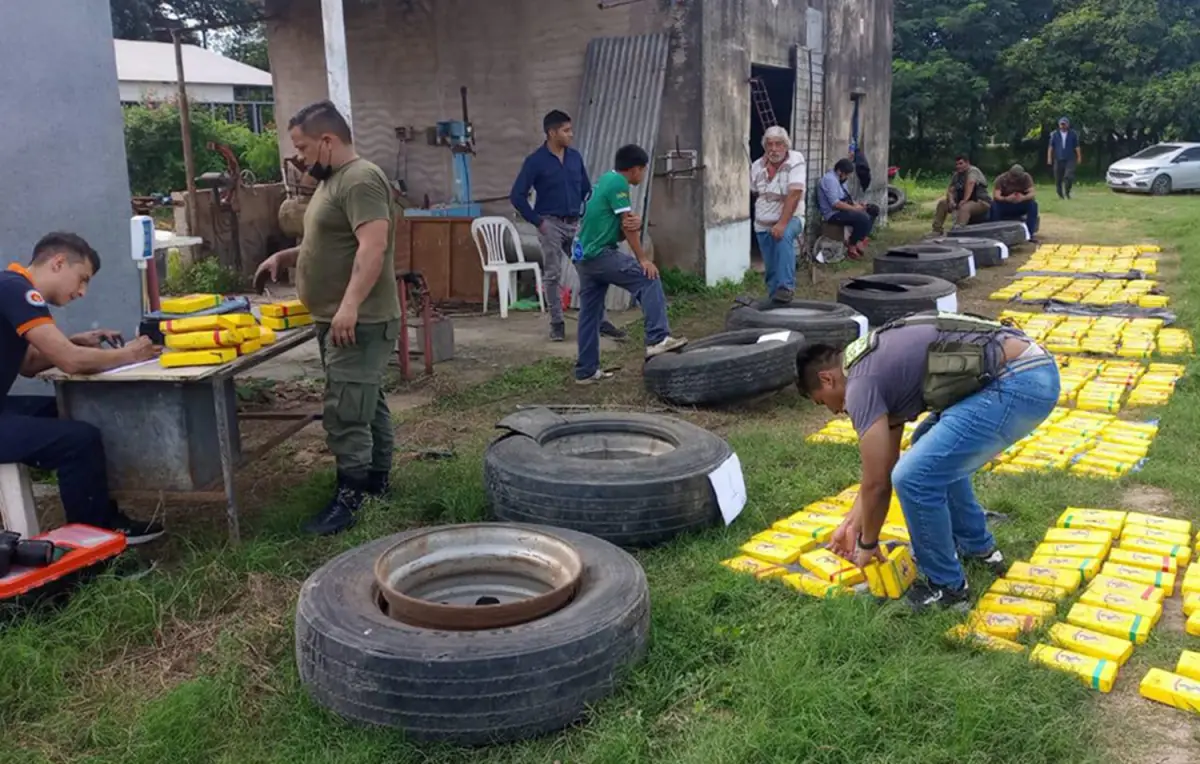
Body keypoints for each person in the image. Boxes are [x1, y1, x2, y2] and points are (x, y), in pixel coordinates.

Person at [795, 312, 1059, 611]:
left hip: (1020, 381)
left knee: (914, 476)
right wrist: (852, 524)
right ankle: (976, 547)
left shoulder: (859, 385)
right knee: (927, 450)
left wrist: (867, 544)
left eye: (822, 402)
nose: (833, 411)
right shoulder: (867, 364)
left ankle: (948, 589)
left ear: (827, 378)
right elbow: (881, 468)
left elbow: (879, 483)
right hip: (1029, 371)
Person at [256, 100, 400, 536]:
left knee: (346, 410)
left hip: (360, 319)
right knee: (365, 401)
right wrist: (289, 256)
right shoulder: (333, 181)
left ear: (327, 140)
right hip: (340, 317)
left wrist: (350, 305)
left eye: (302, 147)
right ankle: (376, 484)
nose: (298, 156)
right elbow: (333, 240)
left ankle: (350, 497)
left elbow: (372, 247)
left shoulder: (360, 179)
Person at [0, 232, 163, 543]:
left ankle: (100, 516)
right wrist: (130, 354)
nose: (82, 291)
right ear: (58, 263)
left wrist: (74, 341)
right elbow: (70, 362)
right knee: (78, 440)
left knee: (69, 410)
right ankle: (95, 538)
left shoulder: (10, 286)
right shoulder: (18, 291)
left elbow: (28, 364)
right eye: (82, 279)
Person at [573, 144, 687, 383]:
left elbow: (617, 228)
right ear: (635, 169)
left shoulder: (605, 180)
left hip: (584, 257)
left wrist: (631, 224)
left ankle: (586, 371)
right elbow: (627, 225)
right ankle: (657, 338)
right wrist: (643, 259)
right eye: (643, 170)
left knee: (590, 314)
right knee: (648, 277)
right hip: (599, 254)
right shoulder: (618, 184)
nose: (642, 175)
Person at [510, 110, 625, 343]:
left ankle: (601, 320)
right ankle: (557, 323)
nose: (571, 134)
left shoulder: (574, 158)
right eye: (566, 130)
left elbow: (586, 191)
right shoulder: (535, 161)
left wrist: (589, 217)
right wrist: (538, 222)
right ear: (552, 133)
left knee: (590, 269)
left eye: (570, 130)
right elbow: (517, 196)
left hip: (575, 226)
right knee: (553, 274)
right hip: (550, 225)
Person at [749, 126, 806, 302]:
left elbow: (795, 193)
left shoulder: (795, 160)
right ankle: (775, 298)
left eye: (778, 144)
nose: (774, 149)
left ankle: (786, 287)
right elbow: (755, 192)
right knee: (771, 265)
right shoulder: (756, 166)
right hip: (762, 223)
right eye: (769, 144)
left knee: (783, 236)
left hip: (792, 218)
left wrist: (781, 223)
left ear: (786, 145)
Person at [818, 158, 879, 260]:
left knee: (873, 210)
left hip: (844, 209)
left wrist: (858, 205)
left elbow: (846, 197)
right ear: (839, 172)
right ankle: (852, 245)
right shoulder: (830, 180)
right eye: (846, 175)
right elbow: (836, 204)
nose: (847, 177)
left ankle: (860, 240)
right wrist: (855, 209)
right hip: (833, 214)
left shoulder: (841, 180)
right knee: (862, 217)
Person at [931, 156, 990, 235]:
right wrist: (951, 201)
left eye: (961, 163)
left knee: (965, 207)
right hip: (961, 201)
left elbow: (970, 183)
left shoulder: (973, 171)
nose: (958, 166)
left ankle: (958, 232)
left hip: (980, 201)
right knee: (942, 203)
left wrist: (965, 200)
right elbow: (950, 190)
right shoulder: (956, 175)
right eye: (957, 164)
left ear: (967, 163)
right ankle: (936, 230)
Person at [990, 163, 1039, 240]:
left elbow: (1032, 193)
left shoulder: (1026, 178)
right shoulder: (1001, 179)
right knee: (994, 205)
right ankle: (996, 232)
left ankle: (1030, 233)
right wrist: (1007, 198)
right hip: (1005, 204)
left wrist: (1023, 198)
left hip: (1020, 203)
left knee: (1033, 205)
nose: (1014, 179)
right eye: (1013, 176)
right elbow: (996, 195)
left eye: (1017, 177)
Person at [1047, 117, 1081, 200]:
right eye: (1061, 124)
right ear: (1059, 125)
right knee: (1058, 178)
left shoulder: (1072, 134)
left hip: (1070, 158)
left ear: (1067, 125)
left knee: (1068, 176)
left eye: (1064, 124)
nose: (1062, 126)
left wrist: (1079, 157)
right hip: (1058, 158)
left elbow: (1077, 146)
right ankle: (1060, 194)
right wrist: (1049, 158)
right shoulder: (1055, 134)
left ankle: (1067, 192)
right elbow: (1051, 147)